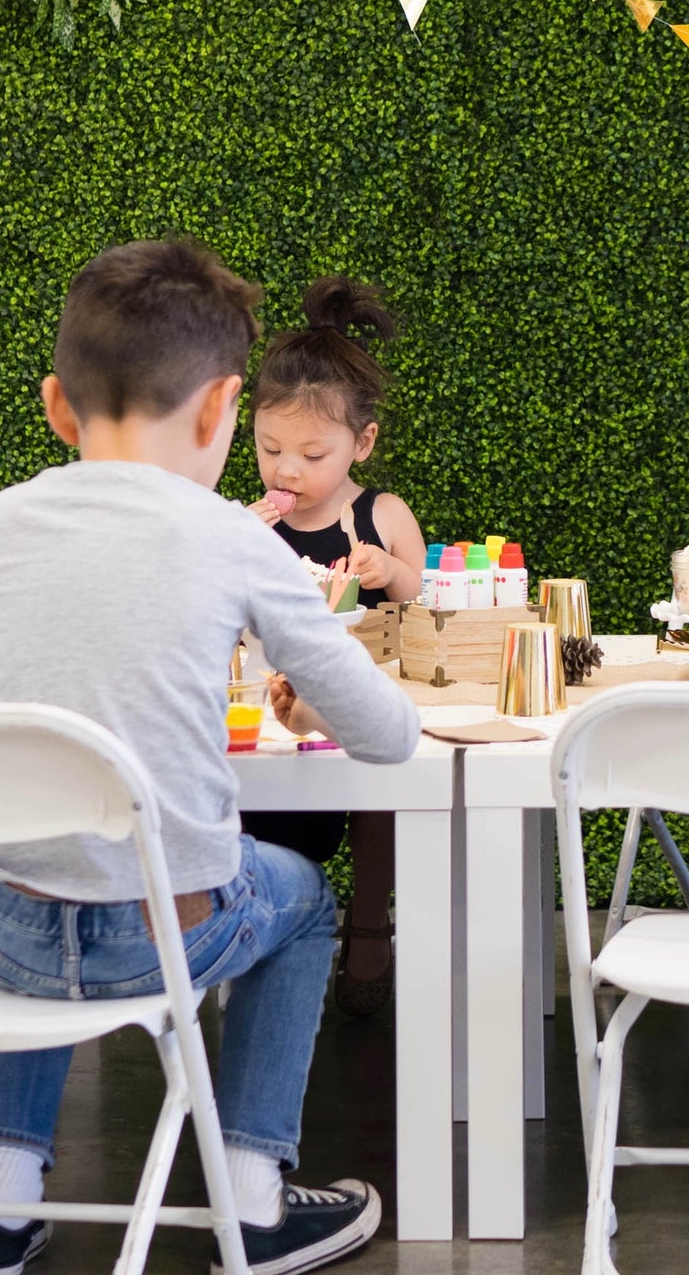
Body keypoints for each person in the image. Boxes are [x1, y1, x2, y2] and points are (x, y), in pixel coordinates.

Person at [0, 240, 418, 1275]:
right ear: (220, 413)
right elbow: (387, 736)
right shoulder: (235, 539)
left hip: (0, 929)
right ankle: (249, 1192)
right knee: (299, 900)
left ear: (56, 407)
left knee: (39, 850)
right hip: (157, 933)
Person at [243, 275, 428, 1016]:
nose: (287, 471)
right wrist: (235, 546)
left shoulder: (380, 513)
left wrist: (390, 570)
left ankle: (369, 922)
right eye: (269, 448)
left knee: (378, 797)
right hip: (272, 706)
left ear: (363, 443)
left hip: (362, 699)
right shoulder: (249, 521)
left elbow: (418, 592)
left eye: (312, 455)